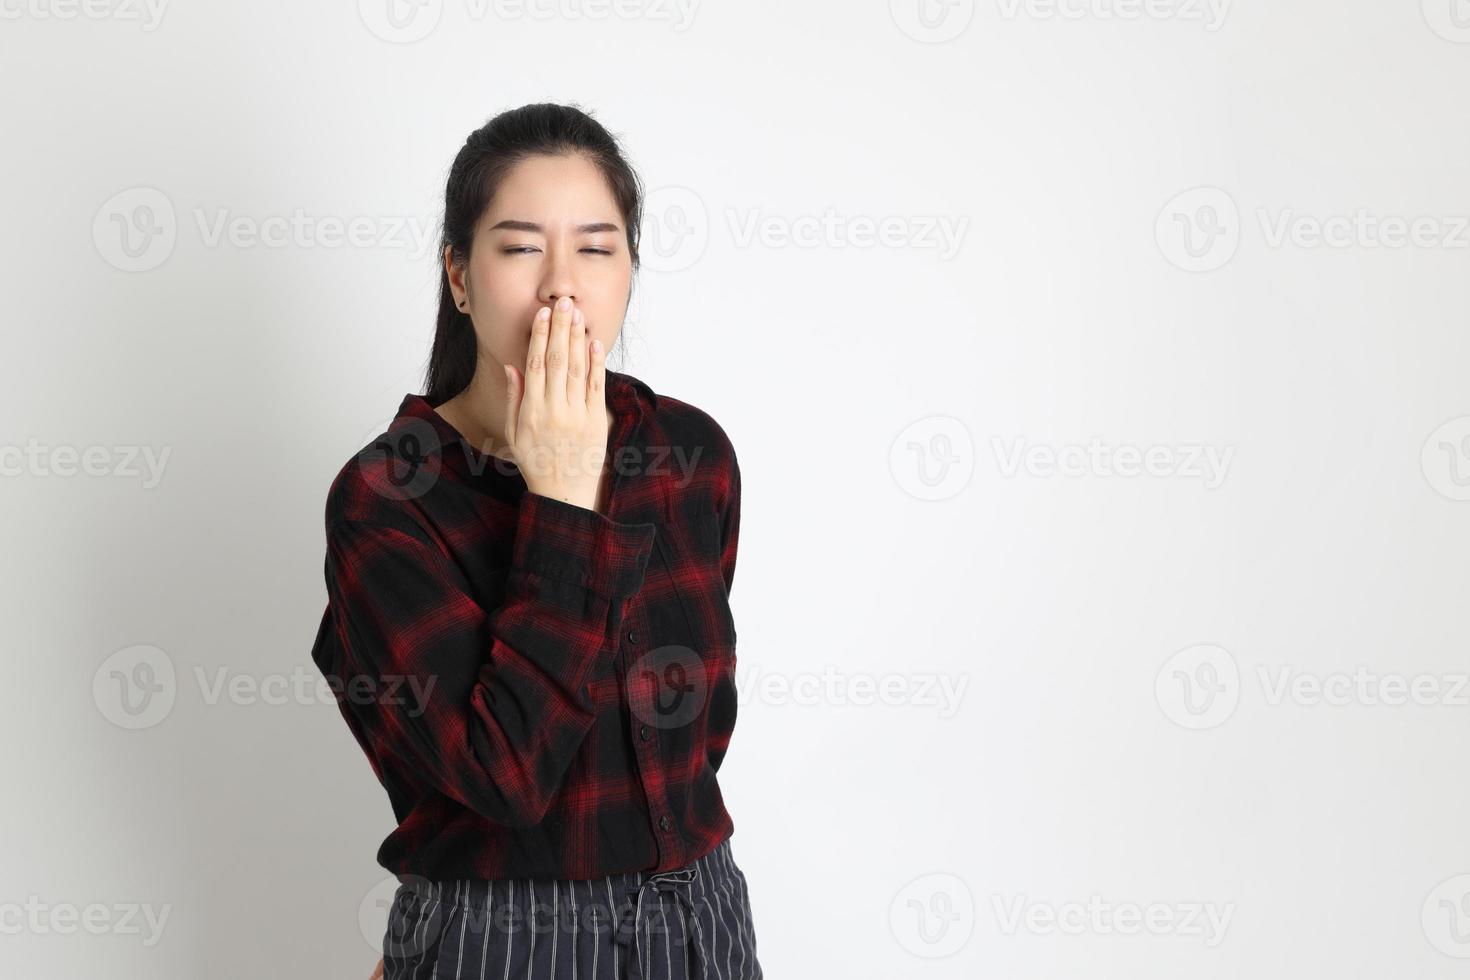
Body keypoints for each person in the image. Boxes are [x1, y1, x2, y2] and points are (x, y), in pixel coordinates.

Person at [309, 103, 762, 979]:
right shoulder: (385, 500)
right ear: (460, 274)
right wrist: (560, 496)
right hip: (502, 934)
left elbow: (694, 728)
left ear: (630, 268)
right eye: (520, 248)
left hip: (703, 918)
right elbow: (506, 778)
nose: (563, 287)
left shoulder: (690, 454)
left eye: (597, 248)